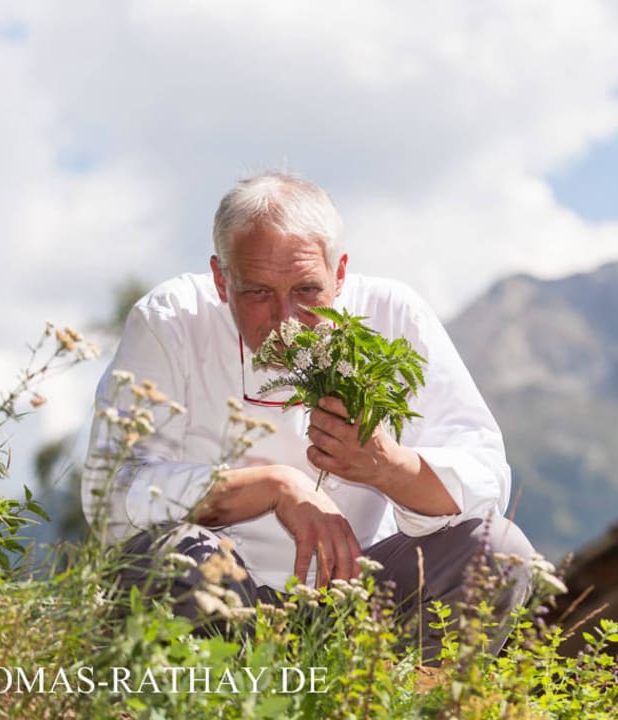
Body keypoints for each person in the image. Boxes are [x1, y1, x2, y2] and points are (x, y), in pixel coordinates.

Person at [82, 171, 535, 662]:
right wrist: (271, 487)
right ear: (220, 278)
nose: (285, 320)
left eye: (307, 290)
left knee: (499, 549)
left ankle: (405, 705)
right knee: (162, 556)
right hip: (220, 598)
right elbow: (111, 494)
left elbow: (487, 477)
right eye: (257, 293)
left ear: (339, 274)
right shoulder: (171, 320)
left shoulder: (393, 314)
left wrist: (389, 467)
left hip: (364, 599)